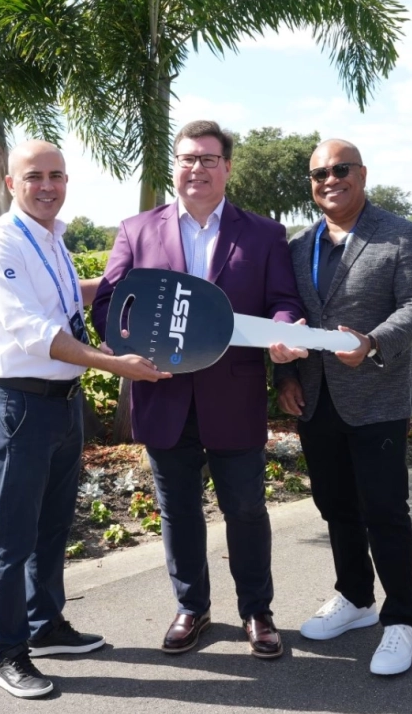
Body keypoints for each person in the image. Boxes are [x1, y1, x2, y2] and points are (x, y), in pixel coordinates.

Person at [91, 120, 305, 660]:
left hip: (234, 397)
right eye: (188, 158)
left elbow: (282, 301)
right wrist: (126, 348)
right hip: (162, 396)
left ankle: (257, 611)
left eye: (209, 159)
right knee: (178, 512)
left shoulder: (264, 234)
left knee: (247, 510)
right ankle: (192, 608)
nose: (197, 168)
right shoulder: (137, 230)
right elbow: (109, 304)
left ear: (227, 167)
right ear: (176, 167)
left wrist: (283, 331)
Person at [0, 140, 169, 699]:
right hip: (21, 405)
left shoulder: (52, 238)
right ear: (11, 183)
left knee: (53, 525)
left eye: (56, 175)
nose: (48, 186)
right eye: (34, 176)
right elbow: (33, 330)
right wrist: (114, 364)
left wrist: (125, 284)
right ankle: (7, 653)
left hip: (62, 402)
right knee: (13, 537)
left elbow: (63, 301)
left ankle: (45, 626)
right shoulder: (0, 244)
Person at [274, 138, 412, 675]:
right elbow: (286, 314)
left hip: (377, 397)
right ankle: (355, 597)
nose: (330, 180)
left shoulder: (400, 234)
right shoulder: (300, 245)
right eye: (319, 173)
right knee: (335, 506)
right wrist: (284, 376)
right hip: (316, 398)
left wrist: (371, 342)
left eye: (340, 169)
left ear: (362, 174)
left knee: (384, 511)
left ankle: (401, 620)